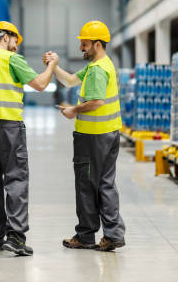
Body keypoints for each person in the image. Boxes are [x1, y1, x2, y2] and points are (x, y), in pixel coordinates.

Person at [0, 21, 59, 256]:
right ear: (5, 37)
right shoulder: (12, 60)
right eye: (15, 41)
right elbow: (41, 85)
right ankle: (15, 237)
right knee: (16, 180)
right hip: (10, 127)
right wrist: (52, 66)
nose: (16, 46)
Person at [43, 20, 126, 252]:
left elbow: (97, 102)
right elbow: (70, 80)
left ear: (98, 44)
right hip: (107, 135)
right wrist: (54, 66)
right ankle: (112, 234)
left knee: (87, 186)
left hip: (93, 138)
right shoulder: (99, 65)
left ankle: (87, 235)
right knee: (104, 184)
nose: (81, 48)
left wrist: (74, 110)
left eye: (85, 44)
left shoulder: (98, 70)